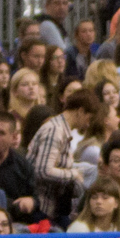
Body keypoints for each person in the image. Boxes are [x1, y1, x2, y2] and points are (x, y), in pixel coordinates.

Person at [27, 87, 97, 225]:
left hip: (54, 208)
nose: (88, 124)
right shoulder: (55, 131)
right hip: (41, 210)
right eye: (88, 118)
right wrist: (73, 174)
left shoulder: (64, 132)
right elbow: (43, 170)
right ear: (81, 111)